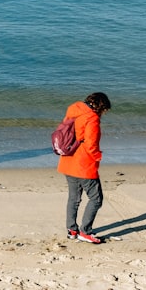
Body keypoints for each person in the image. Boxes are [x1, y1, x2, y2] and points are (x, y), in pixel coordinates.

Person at [57, 92, 112, 244]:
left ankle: (72, 230)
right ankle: (85, 231)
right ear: (101, 107)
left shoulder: (73, 110)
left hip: (68, 160)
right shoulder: (92, 118)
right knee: (96, 199)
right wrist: (98, 157)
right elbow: (91, 144)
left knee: (74, 198)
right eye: (105, 110)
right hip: (83, 165)